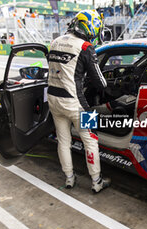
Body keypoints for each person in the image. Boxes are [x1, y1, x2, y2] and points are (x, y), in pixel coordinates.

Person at [47, 10, 111, 193]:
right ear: (92, 27)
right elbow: (101, 82)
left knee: (63, 141)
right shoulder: (85, 47)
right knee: (91, 141)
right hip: (76, 103)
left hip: (53, 99)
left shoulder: (54, 42)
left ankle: (69, 178)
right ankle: (97, 181)